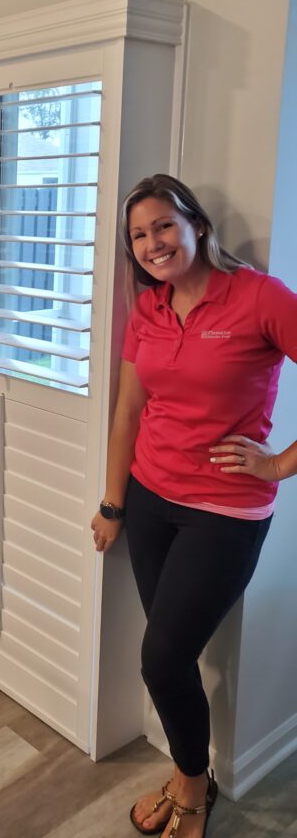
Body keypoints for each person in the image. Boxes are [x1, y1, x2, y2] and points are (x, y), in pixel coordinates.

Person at [90, 175, 297, 838]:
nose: (153, 243)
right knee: (172, 657)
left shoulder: (259, 298)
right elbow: (128, 409)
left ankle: (191, 784)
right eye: (139, 235)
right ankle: (191, 771)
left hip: (226, 512)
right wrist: (113, 503)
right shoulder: (148, 310)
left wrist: (278, 464)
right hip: (150, 501)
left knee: (162, 660)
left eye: (163, 226)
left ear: (196, 226)